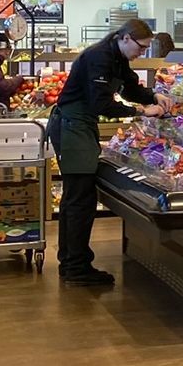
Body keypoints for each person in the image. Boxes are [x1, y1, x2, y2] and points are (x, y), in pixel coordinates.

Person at [46, 17, 163, 287]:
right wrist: (140, 111)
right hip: (72, 126)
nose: (142, 52)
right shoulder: (98, 57)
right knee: (79, 199)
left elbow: (131, 88)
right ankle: (76, 267)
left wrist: (154, 97)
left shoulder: (117, 57)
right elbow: (101, 103)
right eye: (141, 47)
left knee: (76, 198)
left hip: (80, 126)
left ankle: (71, 262)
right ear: (125, 38)